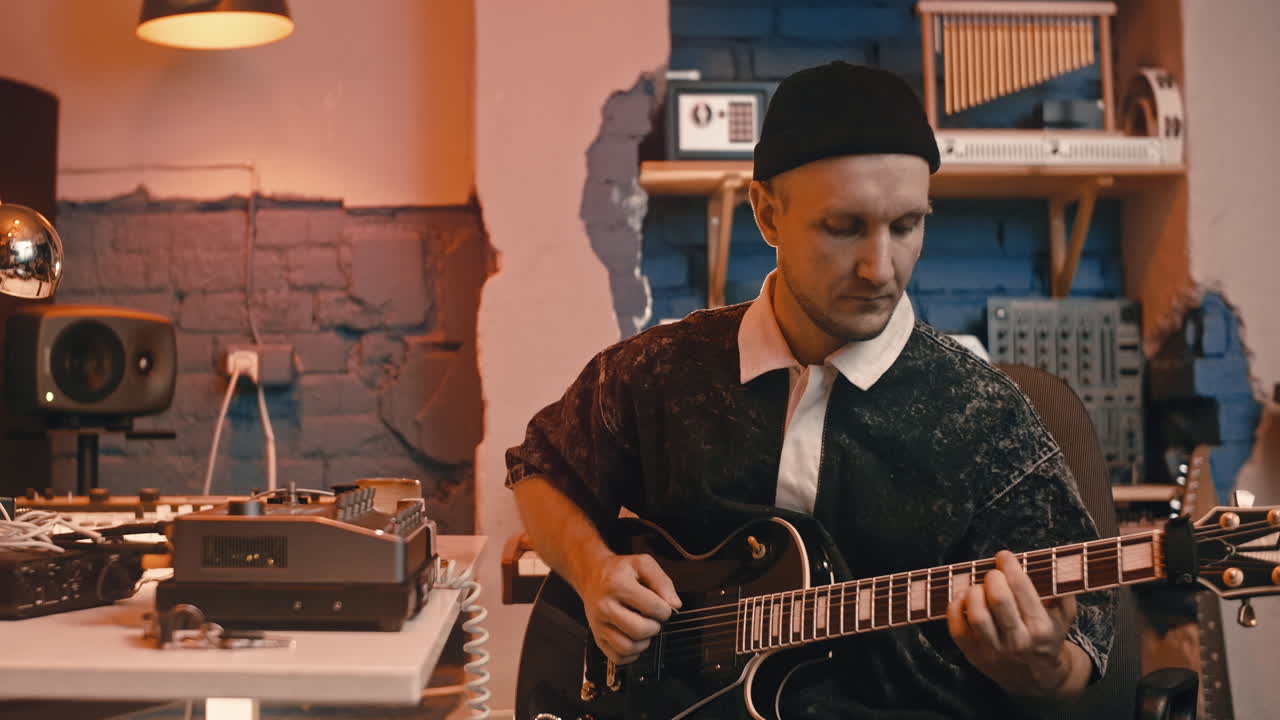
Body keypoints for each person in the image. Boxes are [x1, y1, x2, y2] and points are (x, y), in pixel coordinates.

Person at [507, 62, 1114, 719]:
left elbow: (1088, 636)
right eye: (845, 227)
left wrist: (1044, 666)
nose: (880, 268)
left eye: (906, 226)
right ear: (768, 214)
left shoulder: (987, 417)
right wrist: (595, 573)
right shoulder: (662, 369)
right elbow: (541, 470)